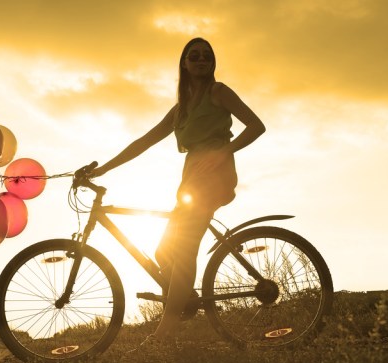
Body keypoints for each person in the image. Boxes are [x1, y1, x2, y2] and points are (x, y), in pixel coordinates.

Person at [92, 37, 265, 345]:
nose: (201, 59)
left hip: (214, 174)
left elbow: (256, 125)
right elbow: (142, 142)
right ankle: (185, 298)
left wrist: (224, 151)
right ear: (184, 63)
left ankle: (164, 332)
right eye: (194, 55)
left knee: (184, 251)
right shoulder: (180, 110)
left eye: (207, 56)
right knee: (163, 251)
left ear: (212, 63)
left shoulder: (219, 92)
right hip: (191, 178)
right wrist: (102, 169)